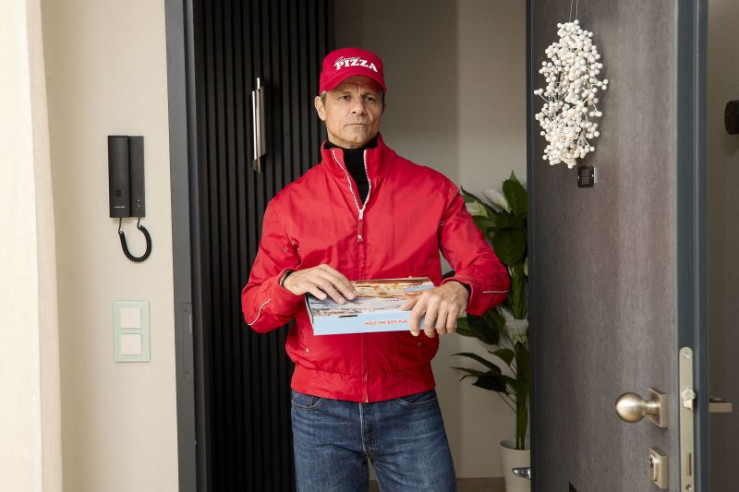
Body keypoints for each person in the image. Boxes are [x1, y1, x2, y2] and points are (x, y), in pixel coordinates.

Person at [241, 47, 510, 492]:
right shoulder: (288, 205)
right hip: (320, 407)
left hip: (408, 401)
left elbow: (491, 273)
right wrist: (291, 281)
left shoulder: (432, 190)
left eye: (369, 97)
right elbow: (255, 311)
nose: (357, 108)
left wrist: (461, 287)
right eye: (344, 97)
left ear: (383, 106)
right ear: (320, 106)